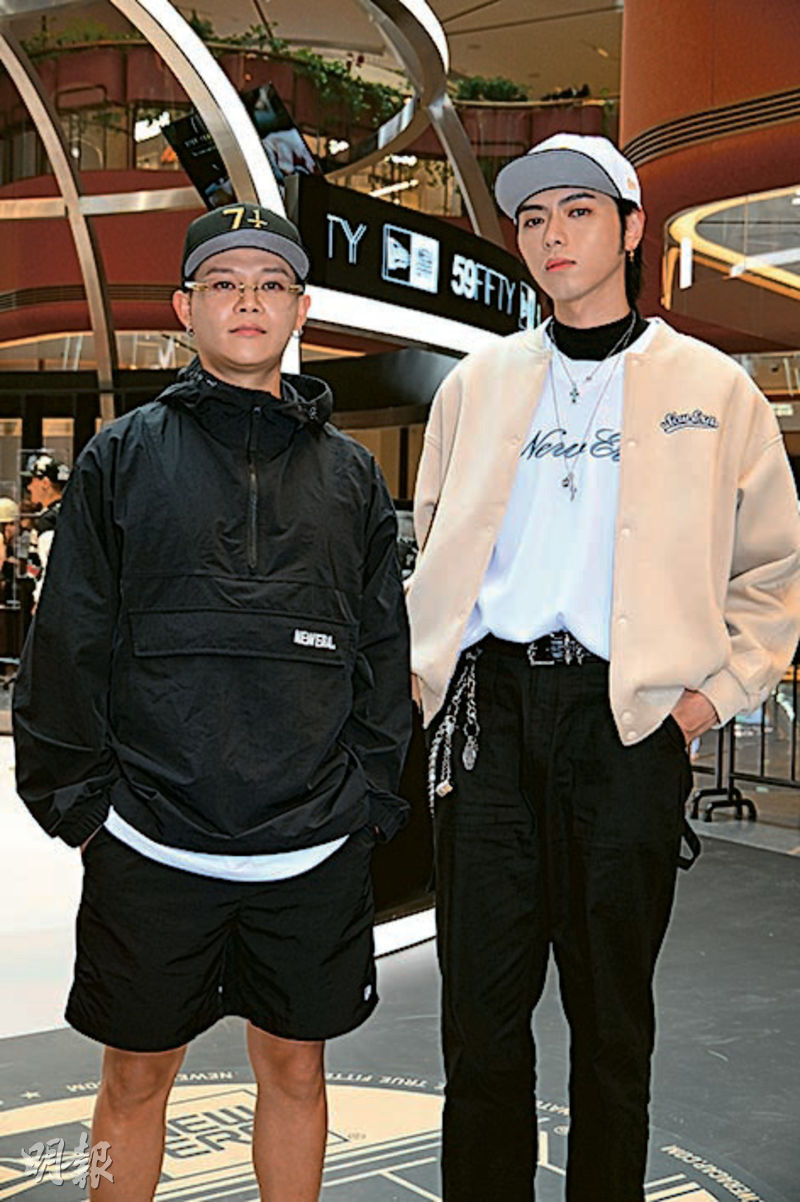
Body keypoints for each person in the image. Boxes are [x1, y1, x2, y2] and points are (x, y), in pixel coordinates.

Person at [405, 133, 800, 1202]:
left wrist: (702, 704)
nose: (551, 236)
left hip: (625, 724)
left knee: (611, 1025)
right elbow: (435, 539)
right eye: (532, 219)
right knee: (479, 1025)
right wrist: (431, 674)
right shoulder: (477, 384)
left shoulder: (711, 389)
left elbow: (773, 570)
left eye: (577, 212)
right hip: (488, 718)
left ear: (631, 230)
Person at [14, 202, 411, 1201]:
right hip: (152, 843)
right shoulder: (121, 457)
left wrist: (367, 799)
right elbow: (67, 643)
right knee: (132, 1079)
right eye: (224, 283)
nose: (248, 301)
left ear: (300, 309)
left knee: (297, 1071)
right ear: (184, 307)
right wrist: (84, 807)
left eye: (271, 284)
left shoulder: (352, 477)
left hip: (309, 847)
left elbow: (381, 654)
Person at [23, 451, 70, 605]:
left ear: (45, 483)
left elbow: (51, 566)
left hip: (53, 602)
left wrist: (40, 600)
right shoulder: (72, 513)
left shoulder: (49, 520)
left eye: (32, 481)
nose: (29, 487)